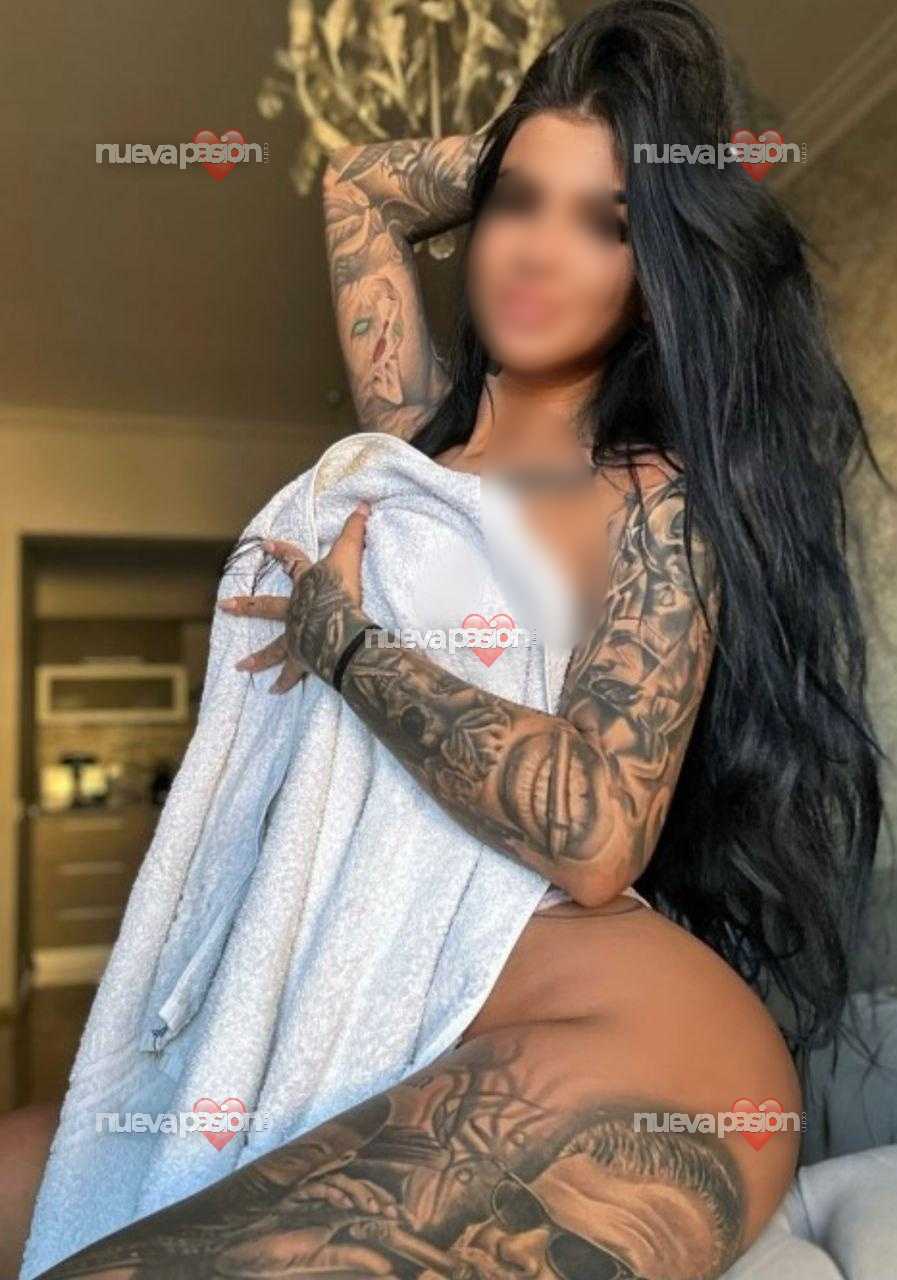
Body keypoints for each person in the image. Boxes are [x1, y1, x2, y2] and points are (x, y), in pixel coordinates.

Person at [6, 2, 893, 1276]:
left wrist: (349, 646)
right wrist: (544, 144)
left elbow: (598, 830)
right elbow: (358, 183)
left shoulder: (650, 497)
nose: (539, 248)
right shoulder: (414, 444)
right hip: (359, 1008)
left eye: (605, 224)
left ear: (655, 273)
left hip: (617, 1037)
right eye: (519, 202)